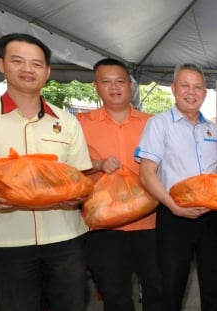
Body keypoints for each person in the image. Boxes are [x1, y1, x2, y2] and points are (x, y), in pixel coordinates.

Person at [0, 33, 92, 311]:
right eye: (18, 61)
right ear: (1, 64)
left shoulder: (67, 122)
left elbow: (78, 176)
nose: (27, 69)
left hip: (64, 236)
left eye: (36, 64)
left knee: (72, 305)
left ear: (47, 71)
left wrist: (79, 196)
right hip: (5, 237)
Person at [138, 63, 217, 311]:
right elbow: (146, 173)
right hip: (174, 217)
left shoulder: (214, 129)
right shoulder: (159, 124)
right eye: (185, 85)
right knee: (172, 286)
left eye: (198, 86)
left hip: (211, 218)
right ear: (174, 88)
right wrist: (173, 207)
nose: (192, 92)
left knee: (213, 286)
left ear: (205, 92)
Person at [78, 58, 161, 311]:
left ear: (130, 85)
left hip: (151, 222)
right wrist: (98, 164)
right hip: (103, 226)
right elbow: (68, 168)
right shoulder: (80, 124)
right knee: (115, 296)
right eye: (106, 81)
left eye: (120, 81)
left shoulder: (152, 123)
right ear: (96, 86)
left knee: (158, 290)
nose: (114, 87)